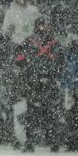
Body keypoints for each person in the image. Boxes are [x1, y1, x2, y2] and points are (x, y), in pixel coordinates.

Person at [14, 16, 64, 152]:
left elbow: (61, 61)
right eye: (42, 25)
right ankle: (30, 143)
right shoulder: (30, 41)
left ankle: (54, 142)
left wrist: (55, 75)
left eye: (45, 25)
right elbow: (19, 57)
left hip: (49, 81)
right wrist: (23, 67)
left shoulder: (54, 42)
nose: (44, 27)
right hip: (34, 81)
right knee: (31, 113)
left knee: (51, 113)